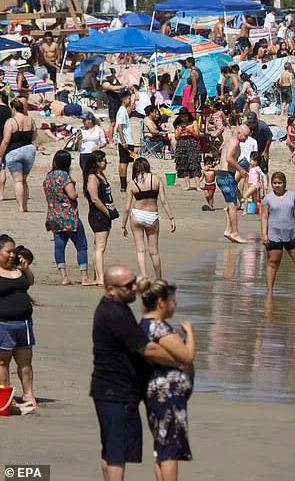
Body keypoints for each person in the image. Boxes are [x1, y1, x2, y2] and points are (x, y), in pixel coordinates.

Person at [91, 265, 180, 481]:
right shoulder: (114, 313)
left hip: (111, 390)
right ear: (111, 289)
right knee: (116, 453)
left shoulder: (116, 307)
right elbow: (147, 348)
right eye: (128, 286)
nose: (134, 288)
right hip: (116, 391)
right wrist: (180, 360)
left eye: (134, 282)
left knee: (111, 449)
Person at [137, 277, 195, 481]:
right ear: (161, 302)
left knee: (162, 447)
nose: (175, 305)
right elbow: (187, 357)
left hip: (158, 394)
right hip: (167, 396)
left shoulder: (145, 326)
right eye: (173, 300)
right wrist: (190, 334)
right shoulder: (158, 327)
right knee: (169, 449)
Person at [43, 150, 92, 286]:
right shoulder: (64, 176)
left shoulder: (48, 176)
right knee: (81, 246)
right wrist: (75, 189)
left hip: (54, 216)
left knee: (59, 247)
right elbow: (72, 195)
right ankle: (84, 277)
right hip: (68, 216)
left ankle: (64, 277)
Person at [121, 158, 175, 279]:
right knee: (154, 251)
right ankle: (158, 278)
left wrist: (123, 225)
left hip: (137, 215)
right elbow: (163, 201)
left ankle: (144, 276)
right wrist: (171, 218)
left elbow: (127, 208)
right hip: (152, 215)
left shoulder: (132, 183)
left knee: (140, 250)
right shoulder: (156, 179)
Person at [0, 234, 37, 411]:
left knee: (25, 363)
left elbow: (29, 282)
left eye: (14, 251)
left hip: (23, 323)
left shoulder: (18, 269)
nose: (12, 255)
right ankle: (5, 395)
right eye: (8, 251)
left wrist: (26, 269)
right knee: (2, 362)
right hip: (3, 324)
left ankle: (28, 394)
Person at [84, 150, 117, 286]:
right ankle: (100, 278)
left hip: (104, 214)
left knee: (98, 246)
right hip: (98, 215)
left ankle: (97, 275)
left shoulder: (101, 175)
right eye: (103, 160)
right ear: (97, 162)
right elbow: (95, 199)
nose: (106, 162)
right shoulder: (92, 178)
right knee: (100, 247)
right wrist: (107, 212)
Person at [0, 98, 36, 212]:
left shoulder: (11, 121)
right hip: (29, 150)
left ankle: (20, 207)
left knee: (18, 180)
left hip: (14, 151)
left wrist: (1, 155)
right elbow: (34, 137)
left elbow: (6, 141)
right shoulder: (31, 120)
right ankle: (25, 206)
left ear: (13, 108)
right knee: (24, 180)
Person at [216, 126, 249, 244]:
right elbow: (229, 158)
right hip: (225, 176)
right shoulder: (234, 142)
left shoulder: (230, 141)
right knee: (233, 205)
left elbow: (221, 151)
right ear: (239, 133)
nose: (247, 138)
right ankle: (235, 233)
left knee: (231, 205)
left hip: (224, 175)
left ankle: (228, 230)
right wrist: (241, 170)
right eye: (245, 135)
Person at [172, 110, 201, 191]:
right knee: (184, 164)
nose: (183, 118)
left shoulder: (193, 122)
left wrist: (190, 131)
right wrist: (180, 130)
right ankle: (187, 185)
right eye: (182, 116)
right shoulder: (178, 124)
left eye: (185, 116)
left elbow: (197, 136)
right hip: (181, 144)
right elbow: (176, 137)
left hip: (191, 142)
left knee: (194, 163)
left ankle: (198, 186)